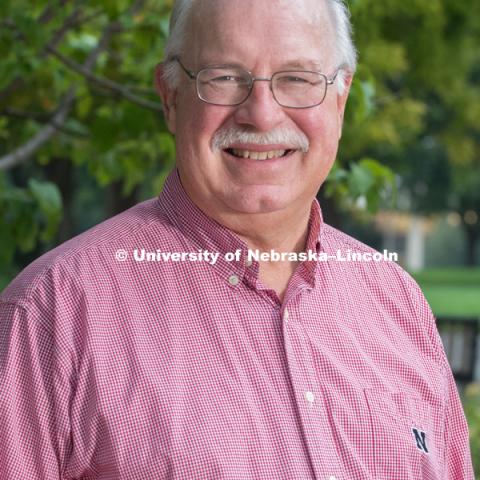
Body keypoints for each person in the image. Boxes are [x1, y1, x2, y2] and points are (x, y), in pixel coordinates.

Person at [0, 0, 474, 478]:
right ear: (170, 97)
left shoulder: (398, 303)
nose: (262, 115)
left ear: (340, 99)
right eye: (225, 77)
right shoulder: (53, 315)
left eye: (297, 78)